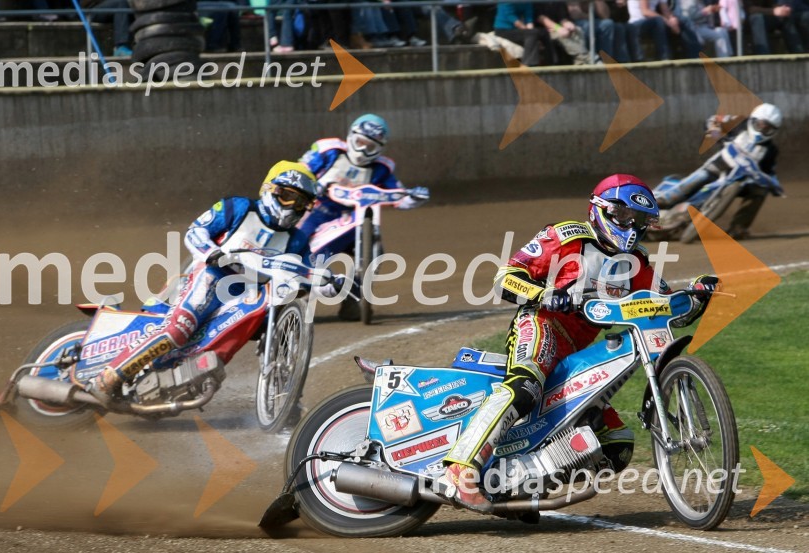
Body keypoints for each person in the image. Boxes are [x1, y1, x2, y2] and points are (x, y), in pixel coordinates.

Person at [439, 174, 717, 512]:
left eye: (640, 221)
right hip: (542, 326)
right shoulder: (566, 236)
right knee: (525, 386)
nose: (631, 228)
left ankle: (521, 489)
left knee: (618, 445)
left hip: (579, 355)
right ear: (602, 210)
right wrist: (545, 295)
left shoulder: (637, 263)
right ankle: (461, 467)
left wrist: (698, 294)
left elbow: (663, 307)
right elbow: (506, 277)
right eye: (625, 217)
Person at [89, 161, 326, 403]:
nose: (291, 208)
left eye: (300, 203)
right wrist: (212, 252)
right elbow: (195, 231)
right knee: (177, 331)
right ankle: (109, 377)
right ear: (270, 189)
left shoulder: (297, 240)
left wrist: (331, 282)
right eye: (287, 197)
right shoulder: (238, 207)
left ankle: (289, 397)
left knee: (279, 325)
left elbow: (311, 272)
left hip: (249, 298)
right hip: (211, 277)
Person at [295, 114, 430, 320]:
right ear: (351, 137)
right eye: (360, 143)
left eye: (370, 147)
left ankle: (354, 298)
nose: (363, 151)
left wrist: (413, 197)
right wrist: (312, 184)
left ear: (379, 149)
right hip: (315, 211)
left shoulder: (381, 169)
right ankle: (289, 295)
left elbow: (398, 195)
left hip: (349, 220)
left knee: (375, 253)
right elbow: (299, 171)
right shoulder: (329, 151)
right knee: (297, 250)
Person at [653, 103, 783, 239]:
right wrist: (717, 136)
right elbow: (712, 121)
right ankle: (664, 199)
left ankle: (739, 229)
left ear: (774, 131)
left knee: (760, 190)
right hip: (717, 168)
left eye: (768, 128)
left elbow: (770, 173)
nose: (762, 130)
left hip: (741, 182)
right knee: (701, 176)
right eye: (761, 125)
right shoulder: (738, 123)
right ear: (753, 120)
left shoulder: (771, 151)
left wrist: (772, 185)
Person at [493, 2, 552, 66]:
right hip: (504, 30)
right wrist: (528, 30)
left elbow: (529, 17)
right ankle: (527, 64)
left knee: (544, 32)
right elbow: (514, 20)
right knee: (532, 34)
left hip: (518, 29)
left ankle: (551, 62)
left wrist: (530, 28)